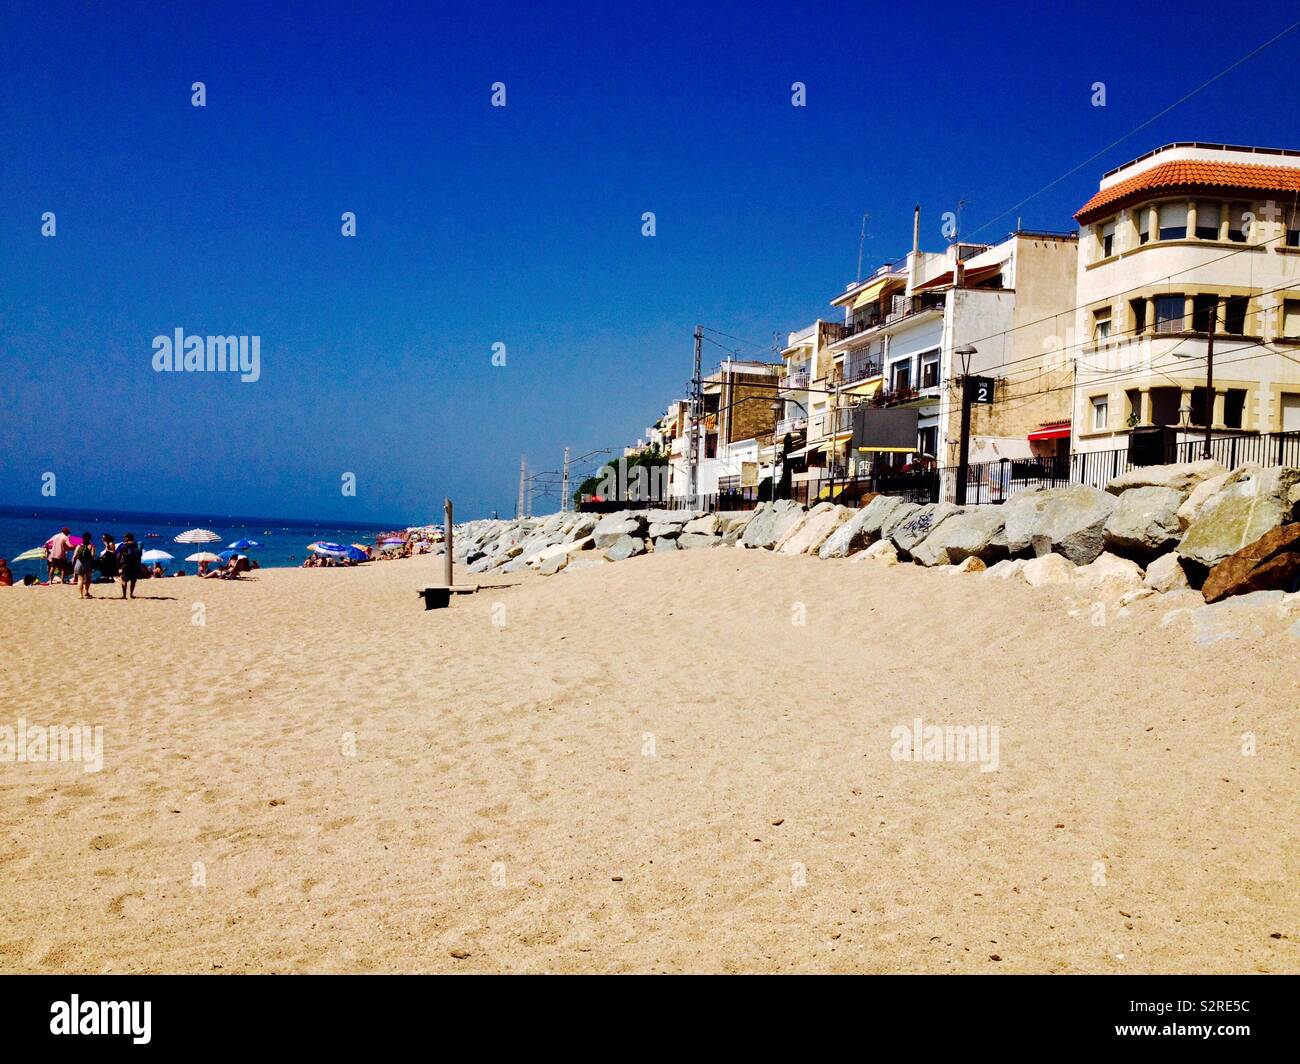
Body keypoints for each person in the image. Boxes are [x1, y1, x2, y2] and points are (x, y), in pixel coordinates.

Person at [117, 533, 142, 599]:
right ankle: (131, 595)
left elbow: (119, 555)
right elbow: (140, 554)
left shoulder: (124, 545)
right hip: (135, 565)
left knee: (124, 580)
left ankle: (124, 595)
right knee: (133, 580)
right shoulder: (136, 545)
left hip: (125, 564)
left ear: (127, 538)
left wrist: (118, 564)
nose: (124, 538)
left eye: (124, 537)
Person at [72, 532, 96, 599]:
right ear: (89, 538)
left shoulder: (79, 545)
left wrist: (73, 563)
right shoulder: (91, 546)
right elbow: (93, 556)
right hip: (87, 564)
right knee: (88, 579)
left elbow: (74, 556)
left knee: (80, 579)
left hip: (79, 563)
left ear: (83, 538)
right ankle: (86, 592)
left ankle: (80, 595)